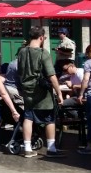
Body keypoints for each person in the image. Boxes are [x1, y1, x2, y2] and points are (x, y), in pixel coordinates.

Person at [16, 26, 64, 158]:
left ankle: (27, 148)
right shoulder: (43, 53)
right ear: (41, 38)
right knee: (49, 119)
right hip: (42, 93)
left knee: (28, 117)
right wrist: (59, 93)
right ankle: (51, 148)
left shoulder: (21, 52)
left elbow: (19, 71)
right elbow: (51, 75)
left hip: (27, 90)